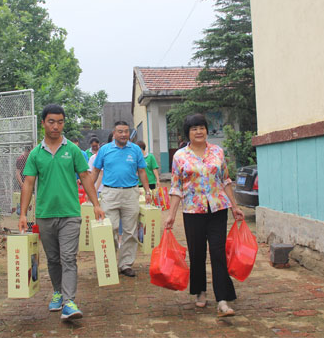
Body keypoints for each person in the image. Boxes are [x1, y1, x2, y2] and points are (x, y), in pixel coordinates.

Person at [19, 104, 105, 321]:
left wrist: (95, 204)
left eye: (60, 122)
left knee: (68, 257)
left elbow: (85, 177)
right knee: (53, 258)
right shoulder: (35, 154)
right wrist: (22, 215)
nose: (56, 126)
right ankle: (57, 292)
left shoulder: (73, 150)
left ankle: (69, 302)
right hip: (45, 214)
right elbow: (28, 184)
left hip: (70, 214)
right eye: (51, 121)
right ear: (43, 123)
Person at [164, 113, 244, 317]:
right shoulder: (180, 156)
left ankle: (223, 299)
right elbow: (176, 187)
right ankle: (200, 291)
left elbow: (225, 180)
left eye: (201, 127)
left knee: (218, 252)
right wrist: (171, 214)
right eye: (194, 129)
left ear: (207, 130)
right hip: (192, 211)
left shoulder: (217, 151)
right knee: (197, 252)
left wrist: (235, 207)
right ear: (188, 133)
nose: (199, 131)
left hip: (218, 208)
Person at [92, 121, 151, 277]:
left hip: (131, 193)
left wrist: (148, 191)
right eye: (120, 131)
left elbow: (142, 172)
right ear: (114, 132)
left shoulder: (135, 150)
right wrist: (89, 190)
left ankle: (125, 264)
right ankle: (109, 262)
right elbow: (96, 171)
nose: (123, 134)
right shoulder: (104, 150)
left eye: (126, 131)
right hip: (110, 194)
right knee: (109, 229)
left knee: (130, 231)